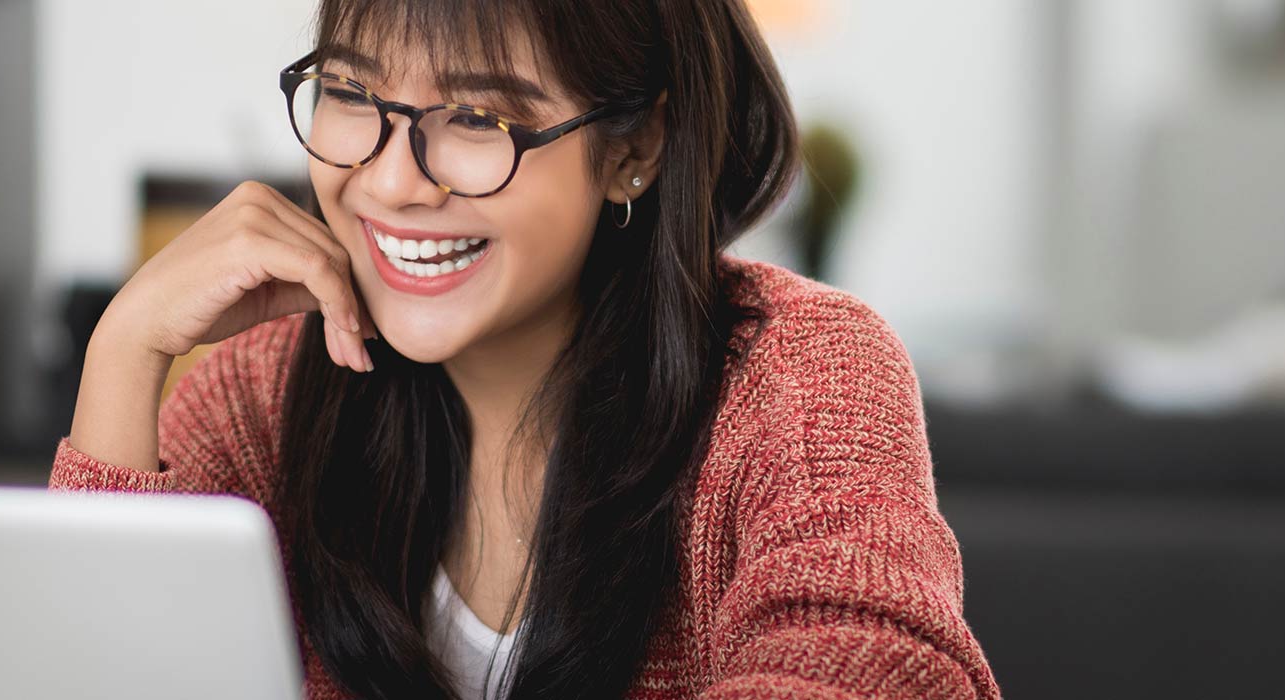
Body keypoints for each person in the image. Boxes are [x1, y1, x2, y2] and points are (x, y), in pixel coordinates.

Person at [50, 0, 999, 697]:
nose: (390, 179)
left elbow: (882, 669)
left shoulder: (801, 375)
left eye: (477, 118)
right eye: (349, 91)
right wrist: (124, 350)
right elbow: (89, 673)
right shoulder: (260, 397)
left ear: (635, 147)